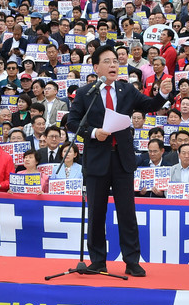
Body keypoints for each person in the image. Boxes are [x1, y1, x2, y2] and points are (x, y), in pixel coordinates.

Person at [64, 45, 172, 277]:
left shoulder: (126, 89)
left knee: (127, 212)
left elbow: (150, 106)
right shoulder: (86, 93)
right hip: (96, 161)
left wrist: (162, 94)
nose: (113, 65)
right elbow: (72, 123)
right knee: (96, 213)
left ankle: (132, 260)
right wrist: (94, 133)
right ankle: (98, 261)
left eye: (115, 61)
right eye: (107, 61)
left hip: (122, 160)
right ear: (96, 67)